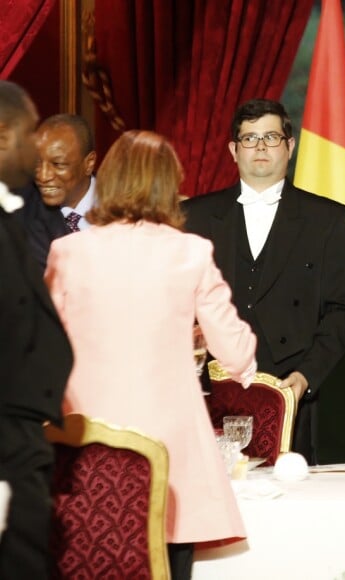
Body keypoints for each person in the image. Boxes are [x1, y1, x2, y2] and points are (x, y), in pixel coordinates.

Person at [45, 130, 257, 580]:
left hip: (82, 452)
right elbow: (235, 353)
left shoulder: (66, 252)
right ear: (168, 185)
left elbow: (38, 346)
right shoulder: (191, 252)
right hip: (170, 457)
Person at [182, 98, 345, 465]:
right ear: (233, 150)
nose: (260, 147)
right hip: (207, 393)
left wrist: (306, 376)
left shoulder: (328, 219)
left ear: (290, 146)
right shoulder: (192, 217)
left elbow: (344, 312)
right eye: (249, 139)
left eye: (271, 137)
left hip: (290, 391)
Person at [0, 81, 73, 577]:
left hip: (21, 440)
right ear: (4, 135)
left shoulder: (12, 215)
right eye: (31, 134)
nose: (38, 147)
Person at [15, 113, 97, 270]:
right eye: (37, 163)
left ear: (89, 163)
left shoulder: (127, 205)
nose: (43, 176)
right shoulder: (19, 213)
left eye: (58, 164)